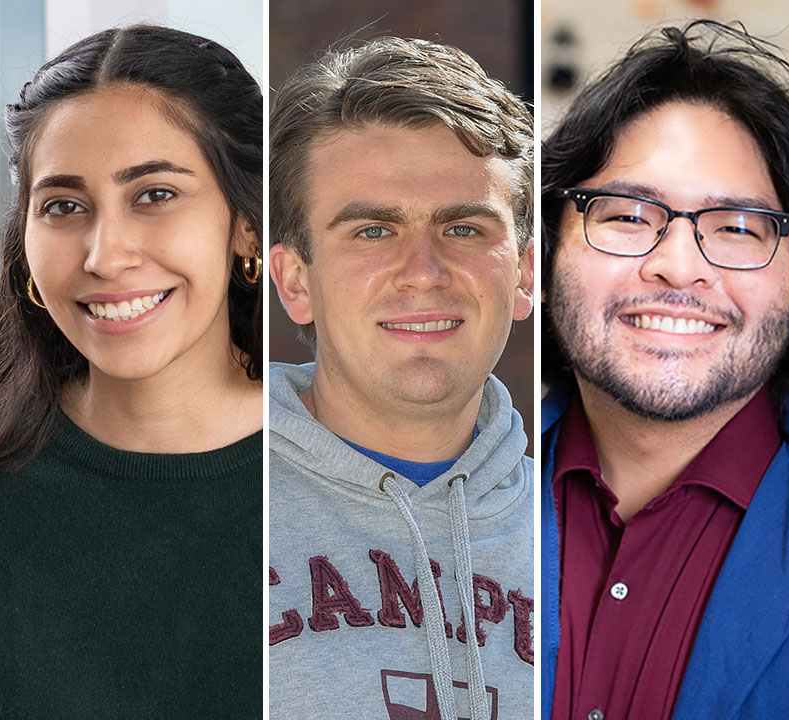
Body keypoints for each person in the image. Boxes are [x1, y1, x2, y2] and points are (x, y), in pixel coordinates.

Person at [541, 21, 789, 720]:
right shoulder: (447, 486)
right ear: (540, 262)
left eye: (738, 228)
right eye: (628, 215)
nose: (679, 266)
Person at [0, 25, 263, 718]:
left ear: (246, 224)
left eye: (154, 195)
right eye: (63, 206)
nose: (104, 255)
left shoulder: (351, 466)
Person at [267, 36, 535, 720]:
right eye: (373, 232)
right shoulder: (203, 503)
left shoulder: (579, 533)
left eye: (465, 229)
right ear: (295, 282)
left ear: (526, 274)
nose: (424, 271)